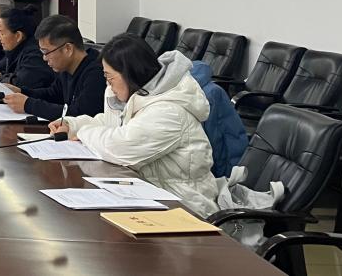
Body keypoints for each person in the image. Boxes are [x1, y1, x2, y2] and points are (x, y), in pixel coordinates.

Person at [50, 34, 219, 217]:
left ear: (129, 74)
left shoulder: (169, 110)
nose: (108, 85)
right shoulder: (140, 94)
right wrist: (72, 125)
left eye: (110, 78)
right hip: (151, 195)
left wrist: (83, 133)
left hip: (185, 206)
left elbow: (121, 147)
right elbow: (110, 124)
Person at [3, 15, 104, 120]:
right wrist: (20, 92)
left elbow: (80, 115)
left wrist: (28, 105)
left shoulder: (97, 73)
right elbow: (53, 94)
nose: (44, 58)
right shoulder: (67, 67)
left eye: (46, 52)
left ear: (68, 49)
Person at [0, 6, 56, 90]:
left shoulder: (34, 54)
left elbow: (19, 83)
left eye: (2, 33)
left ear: (18, 36)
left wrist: (1, 78)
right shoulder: (16, 49)